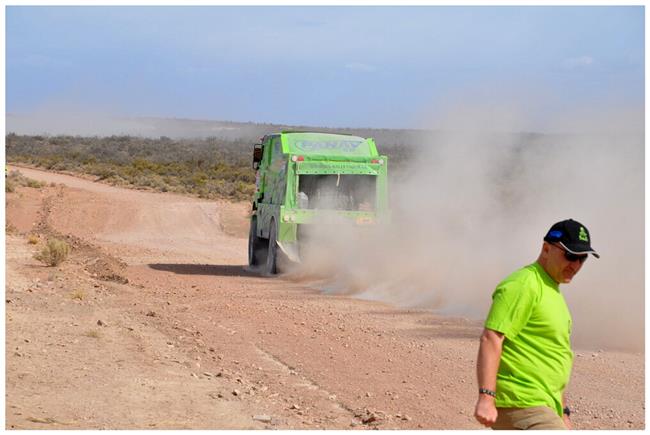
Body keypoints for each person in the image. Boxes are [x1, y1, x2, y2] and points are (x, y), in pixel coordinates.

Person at [474, 219, 599, 430]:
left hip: (545, 405)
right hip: (522, 402)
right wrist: (486, 397)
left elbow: (552, 354)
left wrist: (564, 412)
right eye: (570, 255)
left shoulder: (552, 290)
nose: (576, 265)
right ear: (546, 248)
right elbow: (492, 337)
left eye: (582, 258)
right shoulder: (523, 284)